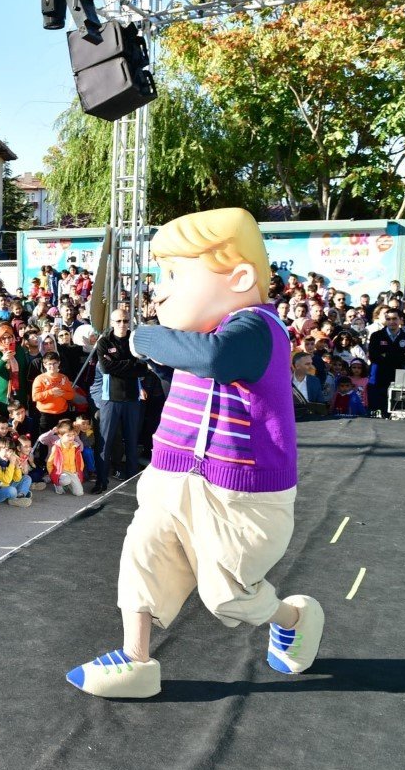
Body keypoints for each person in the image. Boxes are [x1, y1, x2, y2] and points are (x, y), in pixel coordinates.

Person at [67, 208, 323, 699]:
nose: (160, 290)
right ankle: (136, 658)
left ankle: (293, 616)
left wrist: (142, 337)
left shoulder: (257, 328)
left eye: (175, 274)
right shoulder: (203, 335)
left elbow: (213, 359)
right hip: (171, 474)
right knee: (143, 555)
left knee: (226, 594)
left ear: (241, 276)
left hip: (236, 490)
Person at [91, 311, 145, 493]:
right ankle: (101, 481)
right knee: (104, 443)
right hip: (110, 399)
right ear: (112, 322)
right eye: (119, 321)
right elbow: (106, 368)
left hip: (132, 399)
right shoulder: (104, 342)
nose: (123, 324)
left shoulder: (135, 341)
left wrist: (119, 364)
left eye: (126, 320)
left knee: (131, 441)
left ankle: (131, 483)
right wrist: (131, 364)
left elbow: (143, 369)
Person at [366, 309, 405, 416]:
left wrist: (386, 354)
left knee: (395, 411)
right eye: (388, 319)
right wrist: (400, 354)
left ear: (401, 320)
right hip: (379, 378)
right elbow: (374, 357)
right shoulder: (376, 336)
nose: (391, 322)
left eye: (394, 319)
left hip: (399, 378)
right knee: (378, 411)